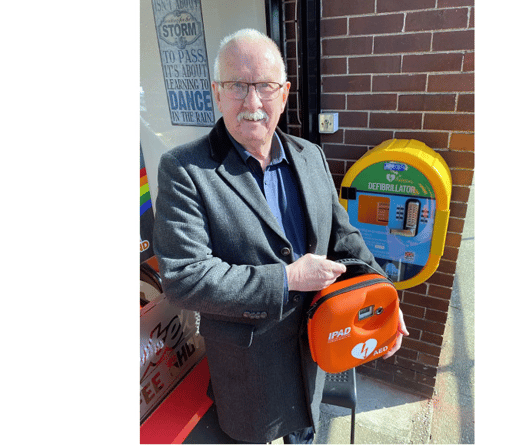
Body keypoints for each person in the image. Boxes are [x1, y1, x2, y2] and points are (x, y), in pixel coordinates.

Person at [153, 28, 409, 444]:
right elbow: (185, 278)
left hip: (314, 355)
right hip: (249, 373)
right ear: (218, 92)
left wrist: (383, 295)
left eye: (265, 87)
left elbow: (345, 239)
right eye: (237, 85)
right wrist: (287, 279)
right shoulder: (185, 169)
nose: (252, 103)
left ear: (285, 92)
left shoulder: (310, 156)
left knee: (306, 434)